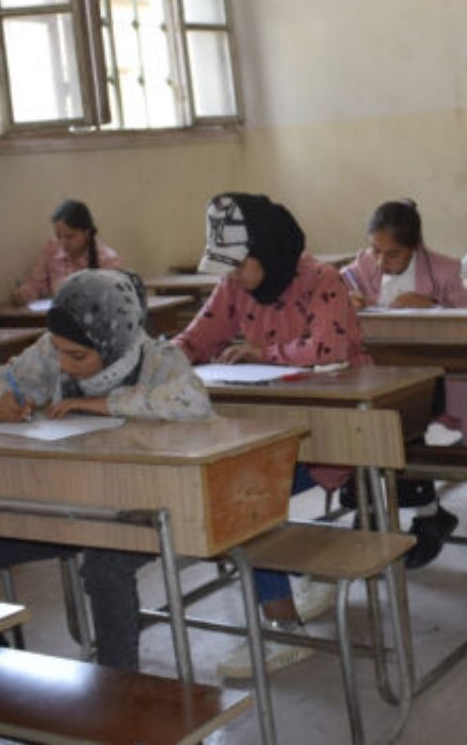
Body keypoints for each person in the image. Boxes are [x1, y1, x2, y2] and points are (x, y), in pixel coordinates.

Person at [0, 269, 211, 670]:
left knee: (104, 565)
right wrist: (1, 399)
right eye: (58, 351)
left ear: (111, 344)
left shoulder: (155, 357)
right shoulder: (54, 349)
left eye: (77, 356)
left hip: (138, 509)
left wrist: (106, 404)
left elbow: (195, 402)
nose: (63, 364)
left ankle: (117, 689)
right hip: (70, 505)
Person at [173, 192, 362, 677]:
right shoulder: (235, 286)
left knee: (246, 495)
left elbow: (330, 346)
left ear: (269, 251)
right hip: (264, 433)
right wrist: (150, 366)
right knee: (238, 486)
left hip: (329, 434)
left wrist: (265, 354)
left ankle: (283, 629)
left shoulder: (322, 280)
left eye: (239, 264)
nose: (230, 277)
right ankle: (305, 569)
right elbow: (196, 340)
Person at [343, 199, 467, 560]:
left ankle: (419, 511)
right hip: (378, 369)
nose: (380, 263)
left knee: (397, 420)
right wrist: (347, 300)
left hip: (438, 374)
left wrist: (432, 307)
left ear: (415, 247)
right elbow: (339, 295)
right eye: (374, 251)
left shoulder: (444, 269)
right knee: (363, 419)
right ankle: (378, 508)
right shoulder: (363, 266)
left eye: (392, 255)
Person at [11, 199, 123, 305]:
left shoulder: (107, 259)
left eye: (70, 237)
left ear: (87, 233)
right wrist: (23, 294)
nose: (63, 242)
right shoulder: (51, 250)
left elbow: (113, 299)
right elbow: (35, 285)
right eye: (58, 236)